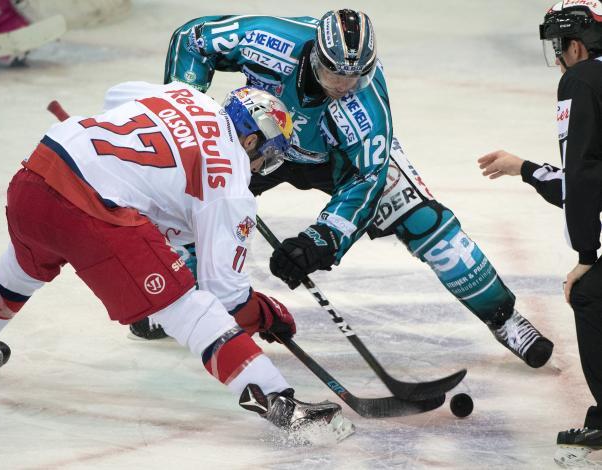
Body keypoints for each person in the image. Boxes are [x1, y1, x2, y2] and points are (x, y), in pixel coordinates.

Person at [148, 9, 555, 368]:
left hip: (336, 161)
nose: (343, 85)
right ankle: (168, 297)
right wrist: (186, 109)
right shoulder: (268, 39)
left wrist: (320, 240)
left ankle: (504, 318)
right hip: (261, 135)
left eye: (354, 75)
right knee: (184, 204)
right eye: (333, 74)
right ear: (314, 56)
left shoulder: (368, 105)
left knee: (425, 223)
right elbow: (194, 39)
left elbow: (367, 179)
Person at [0, 81, 354, 440]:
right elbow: (224, 293)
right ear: (251, 140)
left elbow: (116, 95)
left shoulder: (187, 94)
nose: (260, 167)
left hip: (37, 172)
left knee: (25, 264)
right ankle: (280, 403)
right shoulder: (232, 181)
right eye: (267, 155)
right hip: (92, 209)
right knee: (186, 307)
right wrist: (261, 313)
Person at [478, 1, 602, 465]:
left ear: (575, 45)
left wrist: (586, 255)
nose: (559, 60)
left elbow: (585, 174)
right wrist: (526, 169)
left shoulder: (581, 79)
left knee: (591, 292)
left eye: (560, 48)